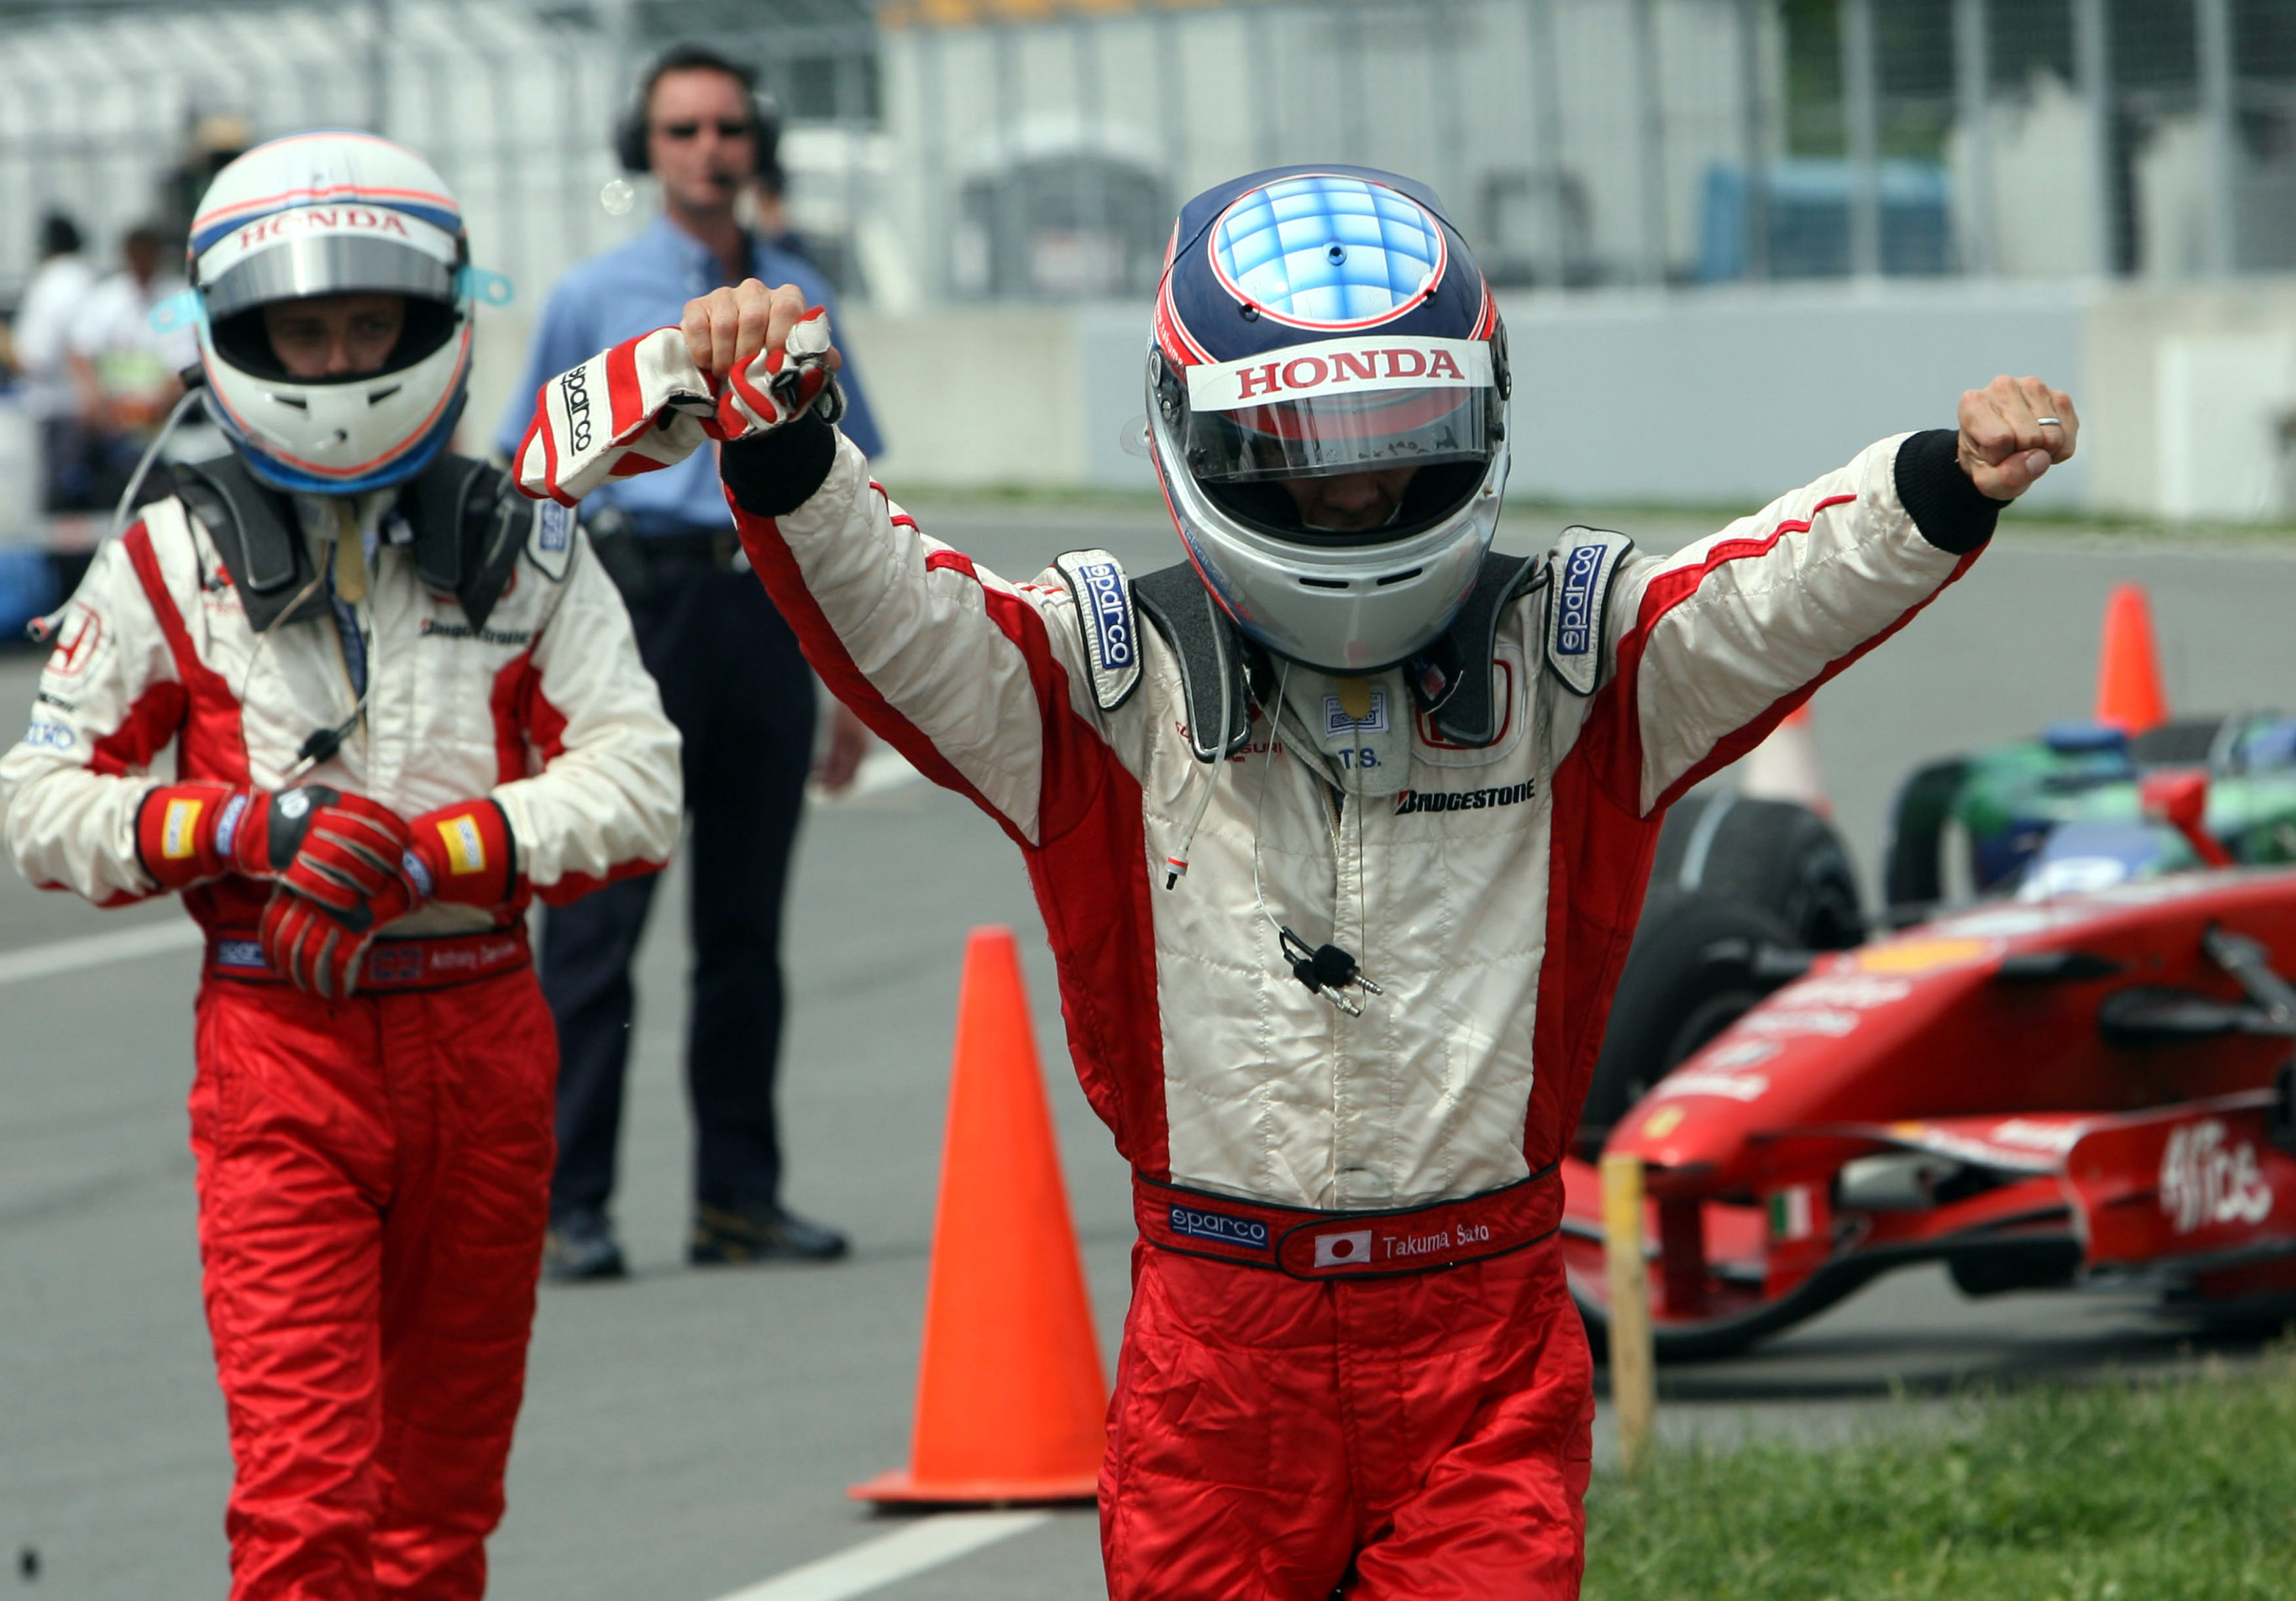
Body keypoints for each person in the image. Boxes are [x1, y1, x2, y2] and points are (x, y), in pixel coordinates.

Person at [512, 165, 2080, 1597]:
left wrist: (1943, 481)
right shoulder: (1098, 675)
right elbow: (915, 618)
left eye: (1400, 456)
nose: (1350, 498)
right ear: (1193, 433)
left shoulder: (1579, 654)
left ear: (1476, 425)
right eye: (1300, 457)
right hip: (1219, 1338)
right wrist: (787, 447)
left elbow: (1774, 590)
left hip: (1484, 1334)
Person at [2, 132, 680, 1601]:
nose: (337, 356)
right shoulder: (164, 557)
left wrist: (433, 847)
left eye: (367, 324)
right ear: (234, 337)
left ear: (433, 319)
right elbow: (39, 799)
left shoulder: (530, 542)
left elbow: (639, 780)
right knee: (306, 1510)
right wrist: (244, 828)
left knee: (439, 1514)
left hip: (485, 1035)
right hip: (279, 1051)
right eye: (302, 329)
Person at [497, 41, 880, 1279]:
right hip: (641, 617)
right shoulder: (594, 296)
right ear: (645, 149)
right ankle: (571, 1202)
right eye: (683, 131)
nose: (711, 150)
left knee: (744, 927)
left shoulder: (800, 293)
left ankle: (738, 1197)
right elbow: (533, 475)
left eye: (729, 127)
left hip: (764, 616)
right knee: (599, 926)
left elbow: (850, 480)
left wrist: (853, 678)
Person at [67, 222, 198, 507]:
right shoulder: (107, 298)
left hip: (166, 425)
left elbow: (186, 365)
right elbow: (80, 351)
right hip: (111, 426)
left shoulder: (178, 299)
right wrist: (95, 400)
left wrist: (154, 407)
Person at [10, 212, 99, 510]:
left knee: (59, 514)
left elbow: (33, 357)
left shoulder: (55, 282)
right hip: (92, 412)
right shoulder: (85, 277)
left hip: (59, 415)